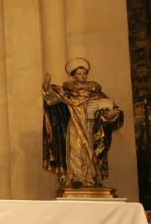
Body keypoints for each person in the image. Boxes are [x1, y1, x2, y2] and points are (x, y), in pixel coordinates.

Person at [42, 58, 124, 189]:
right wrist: (46, 86)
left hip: (90, 127)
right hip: (74, 124)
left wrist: (114, 112)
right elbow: (51, 99)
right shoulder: (67, 92)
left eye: (84, 73)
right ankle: (76, 178)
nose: (82, 76)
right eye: (79, 73)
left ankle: (90, 178)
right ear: (73, 75)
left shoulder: (95, 92)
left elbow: (111, 107)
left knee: (90, 151)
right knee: (75, 150)